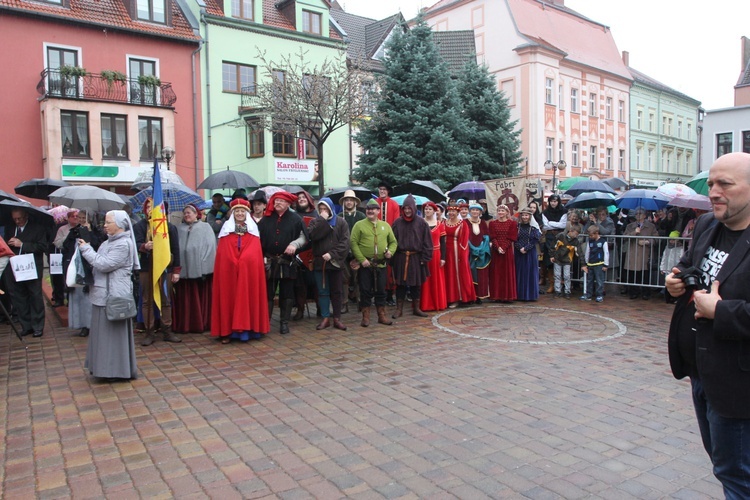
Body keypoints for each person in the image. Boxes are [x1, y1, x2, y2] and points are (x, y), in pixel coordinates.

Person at [665, 152, 750, 498]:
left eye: (725, 184)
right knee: (723, 465)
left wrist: (722, 310)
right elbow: (688, 266)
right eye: (712, 183)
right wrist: (676, 283)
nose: (714, 192)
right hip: (702, 372)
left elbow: (721, 305)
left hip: (739, 384)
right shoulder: (707, 225)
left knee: (737, 474)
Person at [77, 210, 139, 380]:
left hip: (113, 296)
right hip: (102, 294)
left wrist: (86, 249)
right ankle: (102, 368)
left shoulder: (123, 244)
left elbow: (103, 264)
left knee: (112, 336)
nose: (104, 225)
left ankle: (114, 370)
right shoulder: (108, 242)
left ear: (120, 225)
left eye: (108, 222)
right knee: (102, 335)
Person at [211, 199, 269, 343]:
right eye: (237, 211)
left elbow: (254, 252)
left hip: (247, 272)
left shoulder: (252, 230)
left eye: (242, 211)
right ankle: (227, 331)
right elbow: (223, 252)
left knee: (248, 295)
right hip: (229, 272)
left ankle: (248, 330)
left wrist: (244, 261)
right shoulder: (226, 229)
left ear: (246, 213)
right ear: (233, 213)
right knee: (228, 297)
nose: (240, 214)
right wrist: (231, 260)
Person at [134, 198, 182, 346]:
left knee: (165, 300)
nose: (150, 209)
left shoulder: (169, 227)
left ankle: (167, 330)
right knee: (147, 300)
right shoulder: (140, 226)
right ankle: (149, 332)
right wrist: (144, 246)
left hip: (165, 268)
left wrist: (176, 271)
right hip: (146, 268)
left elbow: (175, 249)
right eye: (148, 207)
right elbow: (134, 244)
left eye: (153, 207)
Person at [258, 191, 307, 335]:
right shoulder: (266, 219)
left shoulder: (296, 219)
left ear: (288, 204)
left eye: (281, 201)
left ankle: (284, 323)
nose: (277, 203)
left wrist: (295, 244)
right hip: (270, 262)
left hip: (287, 262)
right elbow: (257, 239)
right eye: (276, 200)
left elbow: (304, 237)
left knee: (287, 293)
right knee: (268, 293)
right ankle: (265, 323)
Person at [350, 199, 397, 327]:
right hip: (365, 265)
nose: (370, 211)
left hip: (381, 265)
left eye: (373, 209)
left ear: (378, 211)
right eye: (368, 209)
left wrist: (390, 252)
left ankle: (381, 316)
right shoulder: (359, 225)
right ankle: (365, 317)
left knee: (381, 291)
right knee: (365, 291)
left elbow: (393, 242)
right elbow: (353, 243)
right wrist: (361, 259)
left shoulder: (385, 225)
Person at [4, 208, 48, 337]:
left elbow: (42, 246)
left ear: (26, 216)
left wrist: (22, 244)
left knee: (35, 296)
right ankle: (26, 325)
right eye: (15, 219)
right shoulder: (10, 228)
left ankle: (38, 326)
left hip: (32, 267)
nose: (18, 221)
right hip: (15, 267)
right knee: (19, 297)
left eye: (20, 218)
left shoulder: (38, 228)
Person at [307, 198, 350, 331]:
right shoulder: (315, 222)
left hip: (335, 262)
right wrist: (322, 220)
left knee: (337, 291)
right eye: (320, 209)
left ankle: (336, 318)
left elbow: (345, 243)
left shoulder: (341, 222)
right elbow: (312, 236)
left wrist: (332, 254)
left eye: (325, 209)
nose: (323, 211)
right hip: (320, 263)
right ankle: (325, 318)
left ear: (331, 208)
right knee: (323, 291)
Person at [173, 204, 216, 334]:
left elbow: (211, 247)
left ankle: (202, 323)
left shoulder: (205, 227)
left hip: (201, 271)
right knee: (185, 300)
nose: (187, 215)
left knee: (200, 298)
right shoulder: (178, 229)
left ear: (196, 214)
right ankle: (185, 324)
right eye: (185, 213)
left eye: (189, 213)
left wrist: (204, 267)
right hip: (183, 272)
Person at [62, 209, 104, 337]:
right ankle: (82, 324)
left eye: (83, 217)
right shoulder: (74, 231)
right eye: (78, 217)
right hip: (77, 267)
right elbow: (66, 246)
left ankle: (91, 324)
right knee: (78, 297)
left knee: (88, 298)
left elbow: (98, 245)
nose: (80, 220)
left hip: (90, 268)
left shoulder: (96, 232)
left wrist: (89, 233)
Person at [390, 194, 433, 318]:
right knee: (400, 285)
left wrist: (424, 258)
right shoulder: (397, 222)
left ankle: (416, 308)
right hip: (401, 257)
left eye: (410, 208)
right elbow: (392, 241)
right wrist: (392, 259)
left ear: (414, 208)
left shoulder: (421, 223)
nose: (407, 211)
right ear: (402, 209)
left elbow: (427, 242)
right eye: (405, 208)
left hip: (416, 258)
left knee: (416, 284)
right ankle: (399, 309)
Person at [443, 203, 477, 308]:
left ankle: (458, 298)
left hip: (457, 253)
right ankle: (448, 298)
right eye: (450, 211)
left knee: (456, 274)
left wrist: (462, 255)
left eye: (454, 211)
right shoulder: (444, 222)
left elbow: (464, 241)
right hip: (445, 252)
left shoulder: (462, 224)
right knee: (448, 275)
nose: (451, 213)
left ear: (457, 213)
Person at [293, 189, 318, 320]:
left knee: (317, 283)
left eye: (303, 197)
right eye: (299, 198)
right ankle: (300, 310)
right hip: (298, 253)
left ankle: (321, 309)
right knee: (300, 284)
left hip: (314, 252)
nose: (301, 199)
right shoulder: (294, 216)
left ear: (308, 199)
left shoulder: (317, 215)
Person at [623, 207, 658, 300]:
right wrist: (634, 232)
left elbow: (656, 239)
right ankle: (633, 292)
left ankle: (646, 292)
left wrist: (647, 242)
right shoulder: (630, 226)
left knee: (645, 273)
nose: (637, 215)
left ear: (644, 215)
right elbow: (624, 237)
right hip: (633, 252)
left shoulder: (651, 226)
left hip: (644, 253)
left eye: (640, 214)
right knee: (632, 274)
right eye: (636, 214)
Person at [420, 202, 447, 312]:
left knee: (436, 278)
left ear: (434, 211)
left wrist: (443, 258)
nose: (427, 211)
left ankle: (437, 302)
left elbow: (443, 242)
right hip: (424, 254)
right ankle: (425, 304)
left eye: (430, 209)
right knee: (425, 279)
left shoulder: (440, 224)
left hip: (436, 254)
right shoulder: (420, 223)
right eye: (426, 209)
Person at [340, 190, 365, 307]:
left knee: (358, 278)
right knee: (344, 278)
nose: (349, 202)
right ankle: (344, 303)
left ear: (355, 202)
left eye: (351, 200)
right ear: (344, 202)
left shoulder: (361, 216)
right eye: (347, 200)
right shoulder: (339, 217)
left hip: (358, 252)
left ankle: (360, 301)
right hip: (343, 253)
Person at [488, 204, 518, 303]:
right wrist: (498, 247)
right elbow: (492, 236)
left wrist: (504, 247)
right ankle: (497, 295)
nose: (500, 212)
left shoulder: (512, 223)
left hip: (507, 250)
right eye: (499, 211)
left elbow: (512, 237)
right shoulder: (492, 223)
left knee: (507, 272)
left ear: (507, 212)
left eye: (502, 211)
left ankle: (507, 296)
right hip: (496, 251)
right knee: (496, 273)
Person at [377, 181, 400, 306]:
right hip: (377, 240)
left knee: (390, 269)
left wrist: (392, 240)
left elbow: (396, 223)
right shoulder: (375, 204)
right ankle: (379, 294)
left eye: (384, 189)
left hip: (390, 239)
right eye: (380, 189)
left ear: (388, 191)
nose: (382, 191)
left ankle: (390, 294)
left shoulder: (394, 204)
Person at [541, 194, 567, 293]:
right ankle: (552, 284)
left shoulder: (564, 211)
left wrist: (550, 223)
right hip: (549, 238)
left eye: (555, 201)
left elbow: (563, 225)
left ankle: (561, 283)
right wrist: (555, 224)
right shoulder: (545, 212)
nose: (553, 203)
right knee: (549, 261)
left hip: (560, 237)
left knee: (560, 259)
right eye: (551, 201)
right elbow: (545, 226)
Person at [515, 207, 542, 301]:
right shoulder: (517, 227)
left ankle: (530, 295)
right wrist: (520, 248)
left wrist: (526, 248)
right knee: (520, 272)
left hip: (530, 253)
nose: (525, 217)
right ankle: (520, 294)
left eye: (526, 215)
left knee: (529, 272)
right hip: (519, 253)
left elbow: (535, 239)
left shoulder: (533, 227)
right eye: (523, 215)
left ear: (530, 216)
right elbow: (514, 239)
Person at [467, 203, 491, 303]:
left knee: (481, 274)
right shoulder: (465, 222)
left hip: (481, 252)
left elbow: (486, 236)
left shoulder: (483, 223)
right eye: (473, 210)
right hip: (469, 252)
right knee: (470, 273)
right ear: (470, 211)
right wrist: (471, 248)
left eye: (477, 210)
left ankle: (479, 295)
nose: (475, 212)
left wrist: (481, 249)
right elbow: (464, 236)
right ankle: (471, 296)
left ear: (480, 212)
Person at [550, 224, 581, 299]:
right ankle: (558, 291)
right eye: (575, 234)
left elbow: (579, 251)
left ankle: (567, 291)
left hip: (567, 260)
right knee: (557, 276)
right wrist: (552, 255)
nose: (576, 236)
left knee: (567, 276)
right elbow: (553, 246)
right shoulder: (560, 236)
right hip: (557, 259)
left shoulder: (575, 241)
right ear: (571, 231)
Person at [580, 225, 609, 302]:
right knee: (590, 280)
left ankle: (599, 295)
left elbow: (606, 253)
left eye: (591, 235)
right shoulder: (590, 242)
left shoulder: (603, 242)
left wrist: (606, 264)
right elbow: (587, 252)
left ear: (596, 233)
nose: (590, 237)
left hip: (599, 264)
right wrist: (586, 262)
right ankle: (588, 295)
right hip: (590, 264)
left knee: (599, 280)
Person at [660, 230, 684, 304]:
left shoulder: (680, 248)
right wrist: (662, 268)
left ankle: (675, 298)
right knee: (667, 283)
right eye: (670, 239)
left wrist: (680, 268)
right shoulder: (667, 247)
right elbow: (664, 257)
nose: (671, 241)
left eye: (673, 239)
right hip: (667, 268)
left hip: (675, 269)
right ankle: (668, 297)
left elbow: (682, 258)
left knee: (675, 284)